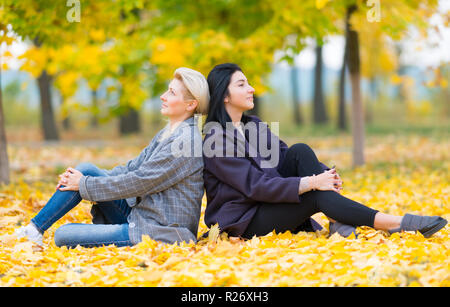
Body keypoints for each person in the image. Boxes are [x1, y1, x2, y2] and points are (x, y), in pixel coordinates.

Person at [202, 63, 447, 240]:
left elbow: (287, 157)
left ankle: (338, 220)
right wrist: (313, 182)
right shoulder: (216, 141)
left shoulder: (252, 125)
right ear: (224, 94)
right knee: (315, 193)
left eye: (249, 83)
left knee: (301, 150)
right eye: (242, 84)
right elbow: (256, 186)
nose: (252, 88)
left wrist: (325, 175)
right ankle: (392, 222)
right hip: (245, 221)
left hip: (268, 204)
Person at [15, 67, 210, 248]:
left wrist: (85, 185)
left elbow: (140, 181)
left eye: (172, 93)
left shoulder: (186, 141)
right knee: (86, 169)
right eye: (167, 90)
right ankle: (34, 229)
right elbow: (133, 167)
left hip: (158, 231)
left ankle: (34, 230)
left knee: (63, 235)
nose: (163, 96)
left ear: (191, 104)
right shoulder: (169, 132)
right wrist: (81, 178)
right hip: (140, 215)